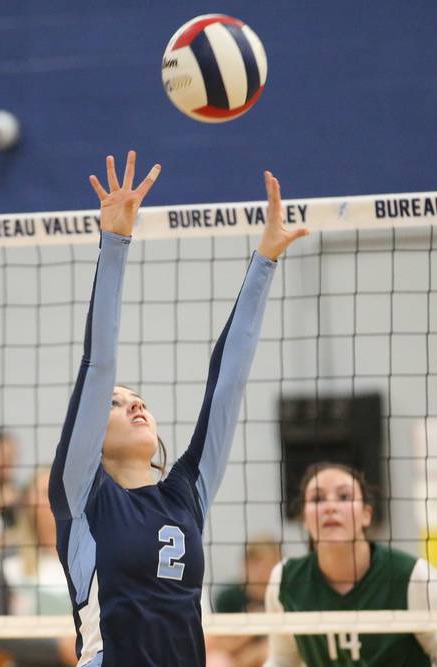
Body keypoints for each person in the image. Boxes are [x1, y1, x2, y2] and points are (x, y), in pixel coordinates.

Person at [48, 150, 308, 667]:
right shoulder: (82, 495)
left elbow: (227, 386)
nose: (133, 403)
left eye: (136, 397)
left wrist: (265, 262)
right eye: (116, 405)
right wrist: (115, 241)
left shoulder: (186, 492)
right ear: (89, 439)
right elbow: (99, 365)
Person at [264, 462, 437, 667]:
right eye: (318, 499)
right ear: (304, 519)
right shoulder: (285, 581)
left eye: (344, 496)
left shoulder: (413, 576)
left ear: (366, 514)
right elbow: (283, 660)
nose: (330, 507)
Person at [0, 467, 76, 666]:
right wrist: (57, 648)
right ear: (28, 502)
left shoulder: (90, 557)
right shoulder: (7, 562)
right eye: (45, 492)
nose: (54, 498)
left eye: (61, 490)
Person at [206, 537, 281, 667]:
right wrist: (252, 626)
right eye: (259, 563)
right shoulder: (229, 597)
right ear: (247, 564)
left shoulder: (281, 596)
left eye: (273, 563)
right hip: (234, 658)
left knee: (268, 654)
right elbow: (221, 644)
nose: (265, 570)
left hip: (267, 656)